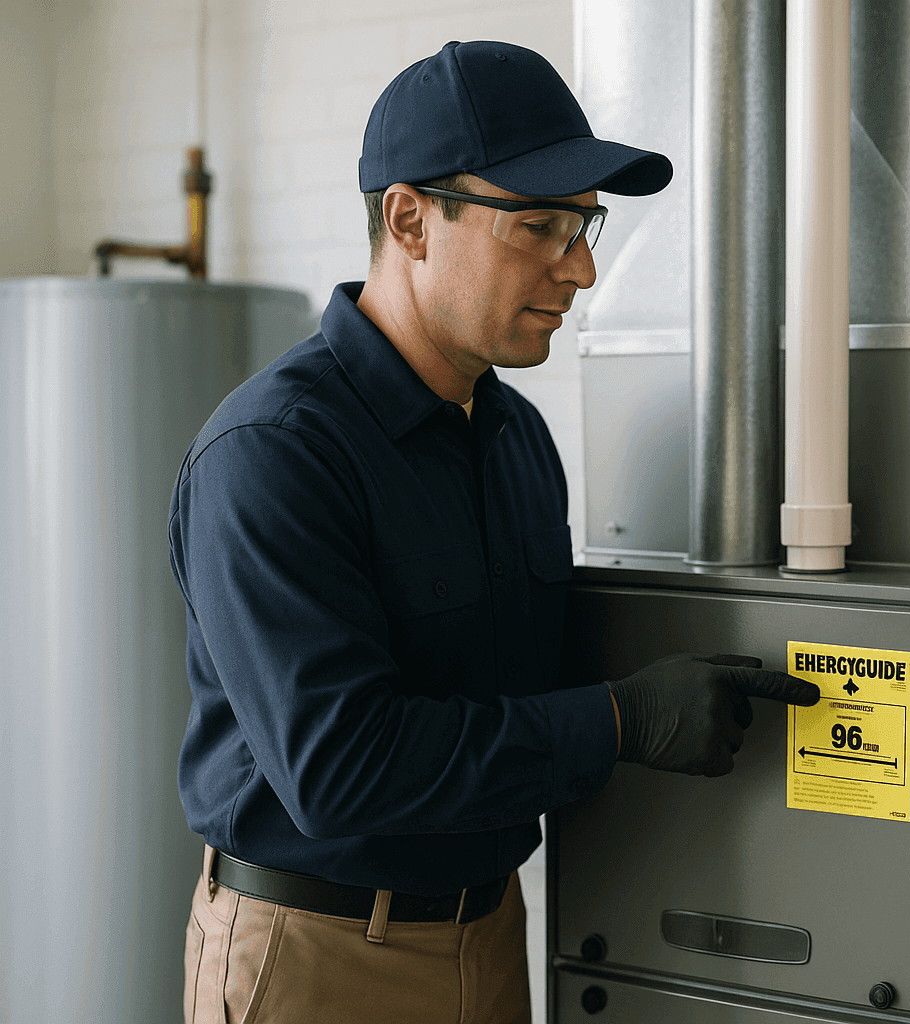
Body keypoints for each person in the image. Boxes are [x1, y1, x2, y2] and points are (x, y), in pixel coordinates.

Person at [170, 41, 818, 1024]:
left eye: (584, 225)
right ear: (409, 218)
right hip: (315, 957)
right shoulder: (274, 455)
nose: (585, 267)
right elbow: (341, 768)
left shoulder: (515, 439)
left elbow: (519, 680)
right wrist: (620, 721)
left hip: (493, 933)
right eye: (542, 226)